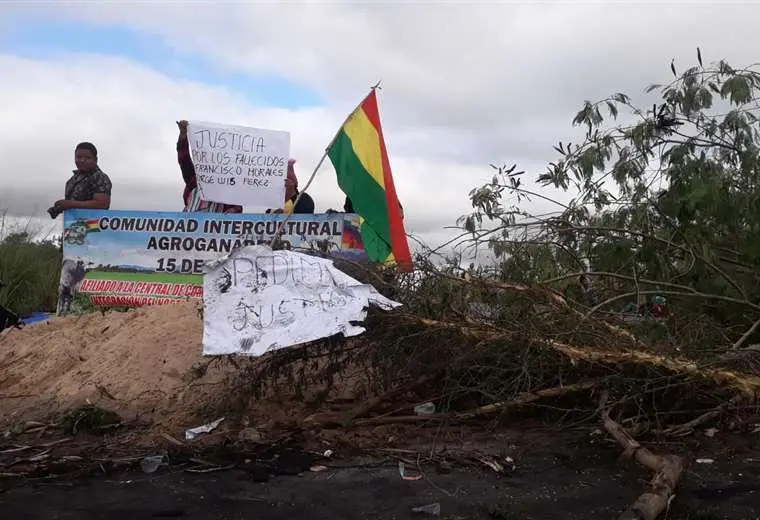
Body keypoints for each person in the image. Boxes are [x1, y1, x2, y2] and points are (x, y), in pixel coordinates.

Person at [176, 120, 242, 213]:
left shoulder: (228, 187)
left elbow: (237, 207)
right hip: (188, 224)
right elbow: (184, 159)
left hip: (215, 226)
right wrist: (183, 136)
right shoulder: (194, 179)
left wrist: (233, 210)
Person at [48, 142, 112, 219]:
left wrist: (69, 204)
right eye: (78, 157)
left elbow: (102, 204)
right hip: (72, 225)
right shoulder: (72, 180)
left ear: (95, 159)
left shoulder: (100, 177)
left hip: (93, 227)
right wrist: (60, 207)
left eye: (88, 158)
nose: (82, 160)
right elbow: (72, 203)